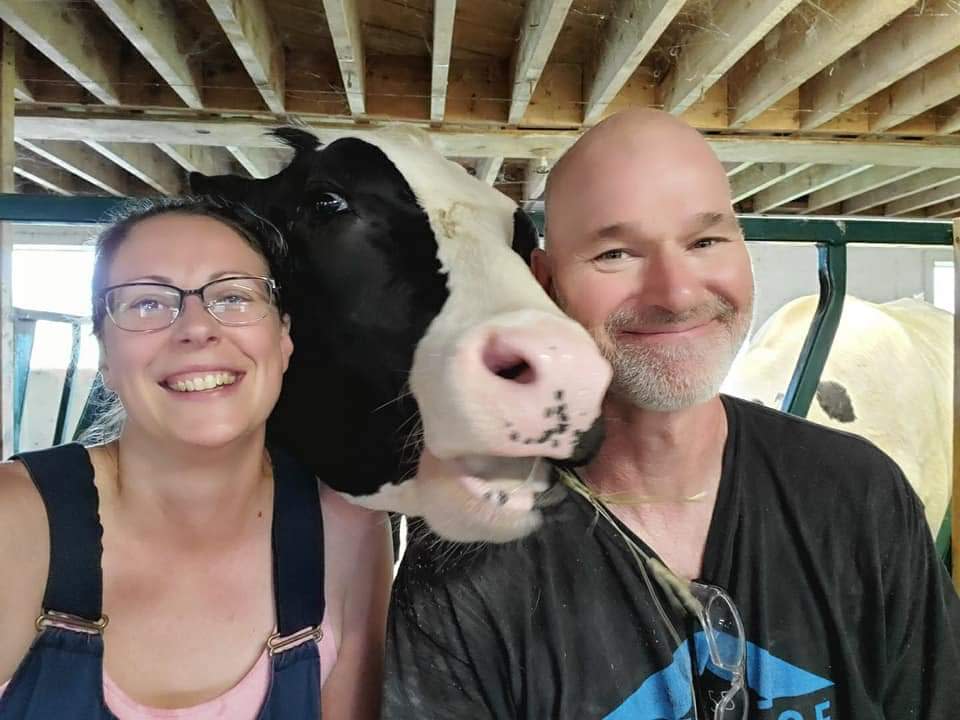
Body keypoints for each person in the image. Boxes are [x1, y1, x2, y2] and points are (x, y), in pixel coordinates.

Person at [382, 108, 960, 719]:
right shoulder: (464, 562)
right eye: (616, 254)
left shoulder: (860, 497)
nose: (677, 294)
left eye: (706, 241)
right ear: (546, 284)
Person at [0, 198, 393, 719]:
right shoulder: (16, 519)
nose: (196, 328)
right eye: (145, 303)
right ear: (105, 356)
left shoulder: (347, 528)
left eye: (232, 296)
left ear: (283, 340)